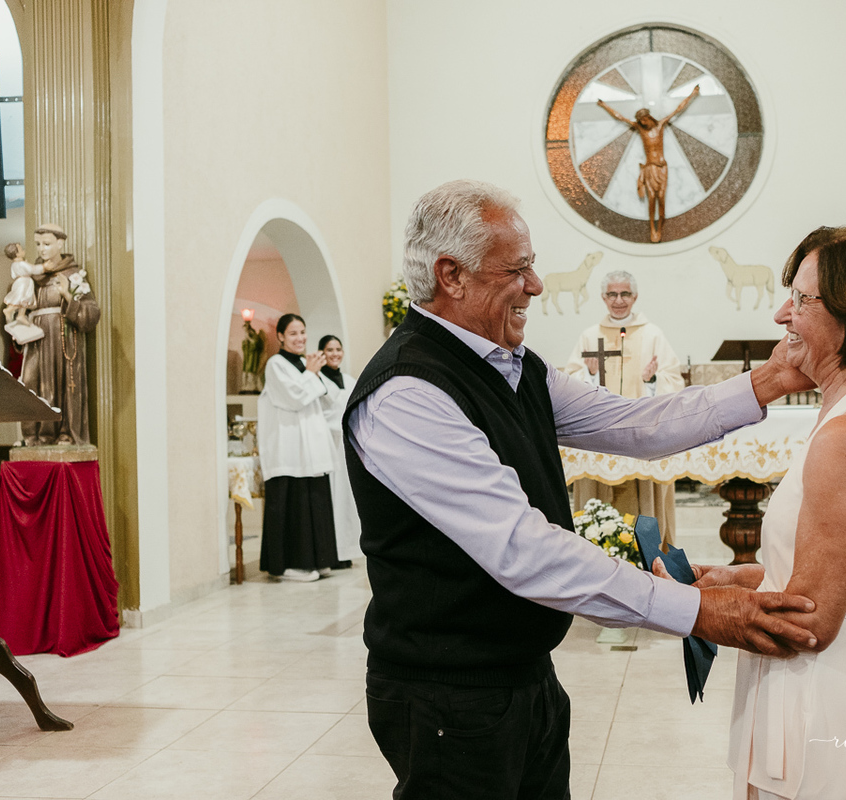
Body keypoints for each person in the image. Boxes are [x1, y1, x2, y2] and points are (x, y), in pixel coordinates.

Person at [344, 179, 819, 800]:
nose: (537, 286)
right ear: (451, 275)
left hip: (523, 675)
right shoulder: (408, 393)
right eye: (517, 269)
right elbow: (525, 550)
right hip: (447, 694)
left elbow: (633, 423)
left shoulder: (515, 367)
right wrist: (699, 612)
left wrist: (770, 379)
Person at [661, 224, 846, 800]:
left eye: (800, 299)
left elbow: (807, 620)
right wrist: (735, 578)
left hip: (828, 695)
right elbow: (828, 569)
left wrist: (683, 606)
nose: (781, 316)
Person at [565, 269, 685, 543]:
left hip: (641, 435)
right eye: (612, 294)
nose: (618, 300)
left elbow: (673, 382)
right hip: (599, 437)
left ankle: (651, 558)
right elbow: (569, 384)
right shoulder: (589, 336)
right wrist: (591, 376)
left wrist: (652, 379)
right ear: (603, 298)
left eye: (625, 294)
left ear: (635, 297)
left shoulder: (653, 335)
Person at [257, 314, 339, 582]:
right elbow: (294, 399)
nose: (300, 338)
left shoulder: (306, 363)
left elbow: (327, 397)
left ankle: (319, 559)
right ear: (280, 336)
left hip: (312, 447)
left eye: (303, 332)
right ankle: (290, 565)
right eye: (293, 333)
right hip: (288, 448)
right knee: (293, 505)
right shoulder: (275, 365)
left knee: (314, 501)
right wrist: (311, 374)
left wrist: (315, 373)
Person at [19, 224, 101, 446]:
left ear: (60, 244)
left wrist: (67, 295)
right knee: (30, 382)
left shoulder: (73, 275)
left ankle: (63, 432)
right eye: (38, 244)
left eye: (47, 244)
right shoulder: (32, 275)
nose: (42, 249)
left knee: (61, 382)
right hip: (35, 339)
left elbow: (91, 313)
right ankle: (32, 435)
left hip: (62, 338)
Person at [596, 84, 701, 242]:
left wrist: (692, 94)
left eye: (644, 119)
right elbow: (620, 117)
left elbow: (678, 109)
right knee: (651, 198)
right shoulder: (640, 129)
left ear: (649, 117)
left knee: (662, 199)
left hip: (662, 168)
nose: (643, 122)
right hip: (650, 168)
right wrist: (604, 105)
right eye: (640, 120)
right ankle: (652, 226)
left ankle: (661, 227)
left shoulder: (660, 126)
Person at [318, 334, 363, 569]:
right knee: (330, 498)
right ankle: (330, 552)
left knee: (346, 499)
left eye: (338, 349)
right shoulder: (317, 380)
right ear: (321, 353)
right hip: (327, 444)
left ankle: (345, 550)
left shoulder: (349, 379)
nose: (335, 353)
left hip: (345, 445)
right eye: (329, 350)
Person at [0, 242, 45, 344]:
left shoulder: (14, 265)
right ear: (17, 254)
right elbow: (32, 269)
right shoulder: (22, 264)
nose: (24, 251)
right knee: (21, 299)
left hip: (21, 282)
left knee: (24, 300)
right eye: (21, 250)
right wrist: (44, 267)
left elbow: (14, 274)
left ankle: (21, 315)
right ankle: (10, 310)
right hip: (24, 283)